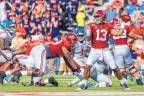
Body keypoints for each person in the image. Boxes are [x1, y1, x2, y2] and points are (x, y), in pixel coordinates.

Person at [79, 10, 129, 90]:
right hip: (94, 50)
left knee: (114, 67)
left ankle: (122, 82)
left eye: (98, 16)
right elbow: (88, 39)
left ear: (103, 17)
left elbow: (119, 33)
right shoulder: (91, 25)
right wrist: (88, 32)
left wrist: (123, 24)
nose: (96, 18)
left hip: (105, 50)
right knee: (87, 67)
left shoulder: (108, 26)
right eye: (96, 17)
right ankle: (84, 83)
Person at [111, 16, 143, 85]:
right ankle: (138, 80)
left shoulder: (111, 30)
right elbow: (132, 36)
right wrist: (137, 37)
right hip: (125, 47)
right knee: (131, 66)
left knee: (121, 67)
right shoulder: (125, 28)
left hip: (117, 48)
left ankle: (124, 78)